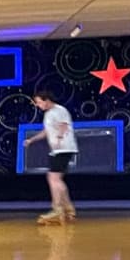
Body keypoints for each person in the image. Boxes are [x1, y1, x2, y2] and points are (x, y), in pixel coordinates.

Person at [23, 86, 78, 225]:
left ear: (46, 100)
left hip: (63, 148)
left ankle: (58, 209)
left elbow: (64, 126)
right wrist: (32, 140)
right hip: (57, 150)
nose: (38, 105)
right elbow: (46, 131)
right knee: (56, 178)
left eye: (39, 102)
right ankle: (68, 208)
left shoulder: (59, 110)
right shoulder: (48, 114)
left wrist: (59, 138)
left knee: (53, 178)